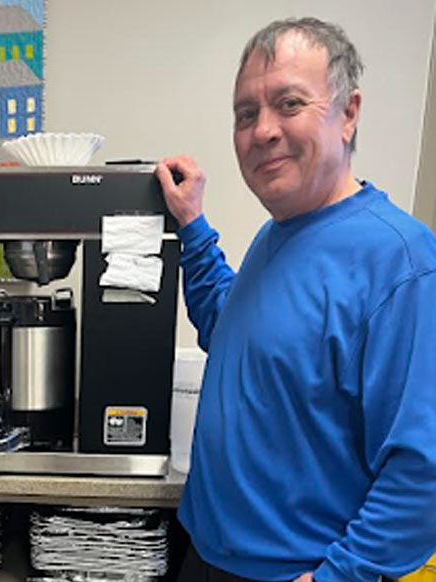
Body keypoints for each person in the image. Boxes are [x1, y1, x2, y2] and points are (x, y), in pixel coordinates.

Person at [156, 17, 436, 582]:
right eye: (246, 114)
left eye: (289, 104)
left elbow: (424, 466)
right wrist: (192, 228)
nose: (262, 131)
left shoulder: (402, 262)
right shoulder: (278, 235)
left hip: (294, 571)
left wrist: (341, 576)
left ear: (349, 113)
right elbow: (229, 329)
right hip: (206, 556)